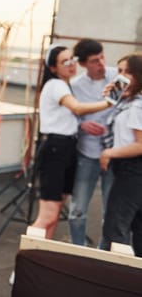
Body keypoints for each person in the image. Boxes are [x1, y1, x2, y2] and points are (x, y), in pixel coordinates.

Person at [31, 44, 111, 240]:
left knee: (55, 213)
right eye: (64, 61)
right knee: (48, 215)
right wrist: (110, 102)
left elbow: (69, 117)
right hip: (56, 149)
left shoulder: (66, 85)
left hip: (66, 148)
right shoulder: (56, 85)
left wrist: (81, 126)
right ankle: (21, 268)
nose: (71, 65)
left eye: (72, 60)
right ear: (53, 68)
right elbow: (76, 108)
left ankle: (41, 261)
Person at [68, 39, 116, 246]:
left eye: (102, 57)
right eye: (95, 61)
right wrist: (82, 126)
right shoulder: (75, 85)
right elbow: (68, 115)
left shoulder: (117, 77)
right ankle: (79, 251)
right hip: (87, 153)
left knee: (112, 211)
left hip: (115, 153)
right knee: (77, 209)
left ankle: (103, 254)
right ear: (83, 64)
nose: (102, 63)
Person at [99, 53, 142, 257]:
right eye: (119, 71)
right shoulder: (128, 101)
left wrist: (109, 152)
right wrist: (111, 98)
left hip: (132, 169)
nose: (121, 76)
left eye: (128, 72)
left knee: (115, 228)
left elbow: (140, 145)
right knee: (137, 227)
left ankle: (118, 279)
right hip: (130, 169)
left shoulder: (137, 104)